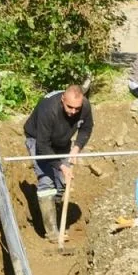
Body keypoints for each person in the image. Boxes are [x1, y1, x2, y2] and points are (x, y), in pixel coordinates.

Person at [22, 84, 94, 240]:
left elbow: (86, 128)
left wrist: (77, 148)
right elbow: (42, 146)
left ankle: (51, 209)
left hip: (61, 141)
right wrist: (61, 166)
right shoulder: (48, 109)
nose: (73, 112)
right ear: (63, 99)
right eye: (70, 107)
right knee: (47, 181)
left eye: (77, 108)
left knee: (61, 182)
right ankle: (52, 232)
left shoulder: (85, 106)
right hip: (38, 139)